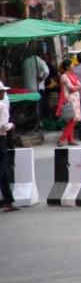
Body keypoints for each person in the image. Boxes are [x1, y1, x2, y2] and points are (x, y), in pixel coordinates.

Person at [53, 59, 81, 146]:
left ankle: (71, 139)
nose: (73, 66)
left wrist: (77, 87)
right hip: (69, 99)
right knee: (73, 119)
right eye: (72, 65)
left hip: (75, 99)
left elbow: (79, 85)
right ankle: (62, 139)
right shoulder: (64, 76)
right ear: (67, 67)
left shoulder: (72, 75)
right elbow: (72, 88)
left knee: (72, 119)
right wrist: (78, 87)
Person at [0, 81, 17, 211]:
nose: (4, 93)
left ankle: (7, 201)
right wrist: (11, 126)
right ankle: (7, 201)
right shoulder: (2, 106)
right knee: (3, 171)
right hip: (1, 139)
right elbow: (4, 125)